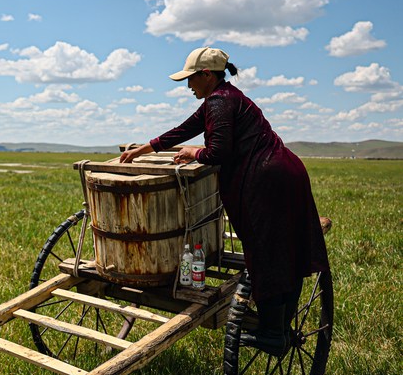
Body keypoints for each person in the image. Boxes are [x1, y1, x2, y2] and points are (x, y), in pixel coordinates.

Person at [120, 47, 329, 356]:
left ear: (207, 75)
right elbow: (184, 129)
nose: (188, 86)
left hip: (267, 179)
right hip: (285, 172)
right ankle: (281, 326)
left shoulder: (219, 103)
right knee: (287, 249)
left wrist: (194, 152)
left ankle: (273, 332)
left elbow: (219, 152)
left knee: (265, 250)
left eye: (191, 79)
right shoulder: (224, 99)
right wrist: (143, 150)